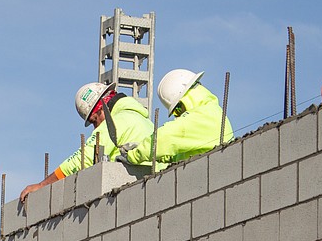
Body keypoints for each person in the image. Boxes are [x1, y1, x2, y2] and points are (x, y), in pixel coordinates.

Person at [19, 81, 154, 203]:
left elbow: (82, 159)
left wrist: (43, 186)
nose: (96, 128)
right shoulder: (145, 122)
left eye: (94, 121)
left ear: (103, 109)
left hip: (130, 196)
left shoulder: (115, 122)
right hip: (151, 190)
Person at [120, 69, 232, 167]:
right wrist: (159, 155)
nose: (178, 116)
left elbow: (166, 137)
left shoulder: (206, 115)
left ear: (187, 98)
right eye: (175, 113)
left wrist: (135, 155)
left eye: (178, 109)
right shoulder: (210, 113)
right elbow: (181, 153)